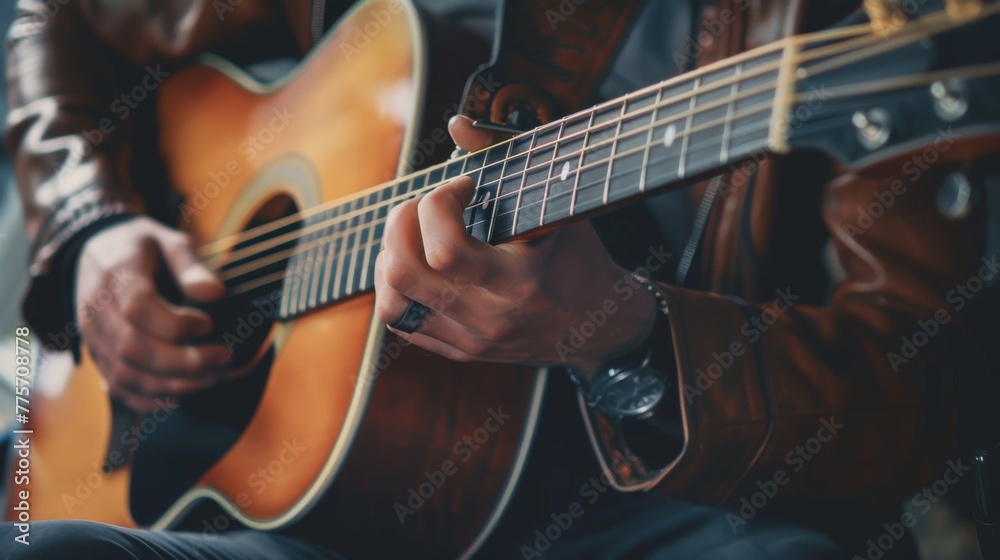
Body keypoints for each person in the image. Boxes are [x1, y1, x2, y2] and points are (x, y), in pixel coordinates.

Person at [2, 0, 997, 558]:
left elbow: (934, 394)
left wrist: (619, 336)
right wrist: (91, 226)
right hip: (311, 508)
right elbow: (60, 19)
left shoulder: (858, 31)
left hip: (647, 521)